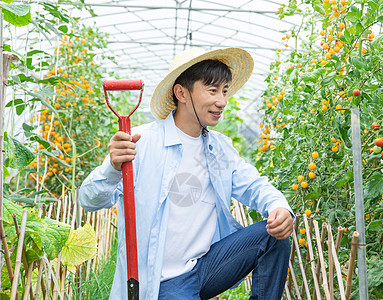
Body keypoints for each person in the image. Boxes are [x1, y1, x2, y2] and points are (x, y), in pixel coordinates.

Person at [79, 47, 294, 300]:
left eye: (224, 91)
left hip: (205, 268)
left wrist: (278, 206)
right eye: (212, 90)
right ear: (181, 92)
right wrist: (112, 167)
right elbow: (88, 200)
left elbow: (254, 185)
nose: (222, 101)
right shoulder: (142, 142)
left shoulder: (220, 148)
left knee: (275, 237)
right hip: (162, 283)